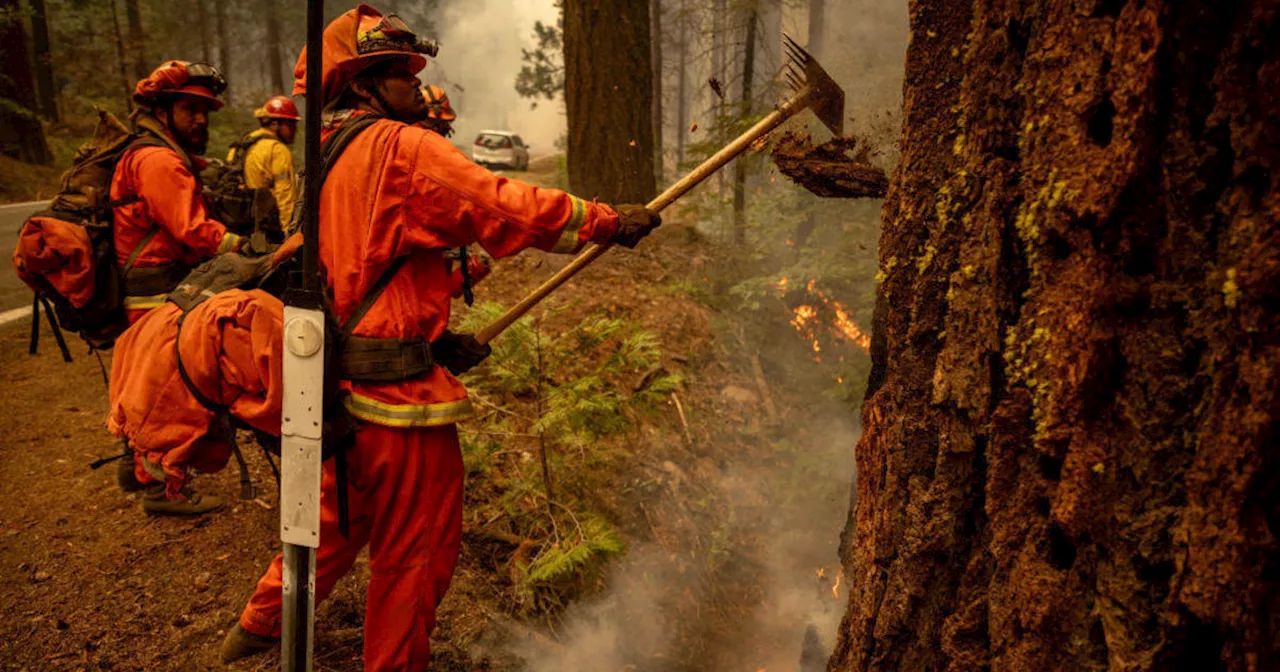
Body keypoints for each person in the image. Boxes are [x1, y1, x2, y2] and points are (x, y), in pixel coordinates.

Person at [221, 5, 661, 668]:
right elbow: (498, 202)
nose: (415, 83)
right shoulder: (400, 148)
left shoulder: (328, 159)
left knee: (333, 524)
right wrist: (603, 220)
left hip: (337, 393)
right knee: (414, 553)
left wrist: (435, 344)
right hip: (397, 413)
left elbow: (367, 269)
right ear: (362, 82)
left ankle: (259, 625)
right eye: (399, 71)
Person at [107, 288, 283, 516]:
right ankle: (159, 492)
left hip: (159, 321)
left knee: (149, 409)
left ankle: (135, 470)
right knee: (160, 424)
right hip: (172, 316)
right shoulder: (235, 327)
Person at [112, 60, 244, 323]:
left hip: (168, 289)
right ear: (162, 113)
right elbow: (192, 228)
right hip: (154, 300)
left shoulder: (170, 157)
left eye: (205, 112)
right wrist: (244, 247)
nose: (201, 120)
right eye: (191, 110)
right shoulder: (158, 161)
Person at [228, 96, 301, 230]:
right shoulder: (278, 150)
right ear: (274, 124)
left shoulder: (240, 145)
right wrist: (289, 232)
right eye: (290, 124)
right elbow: (284, 196)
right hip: (265, 229)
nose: (294, 130)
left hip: (235, 224)